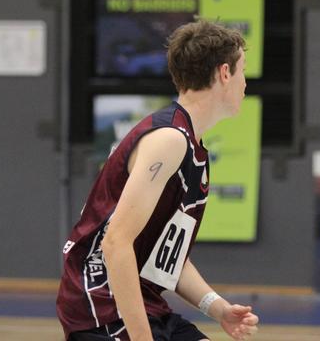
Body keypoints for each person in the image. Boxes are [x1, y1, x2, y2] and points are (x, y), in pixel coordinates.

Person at [57, 20, 260, 341]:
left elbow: (166, 257)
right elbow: (115, 242)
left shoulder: (191, 145)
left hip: (146, 305)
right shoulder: (168, 140)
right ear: (224, 73)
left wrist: (217, 308)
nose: (244, 84)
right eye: (241, 72)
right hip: (102, 306)